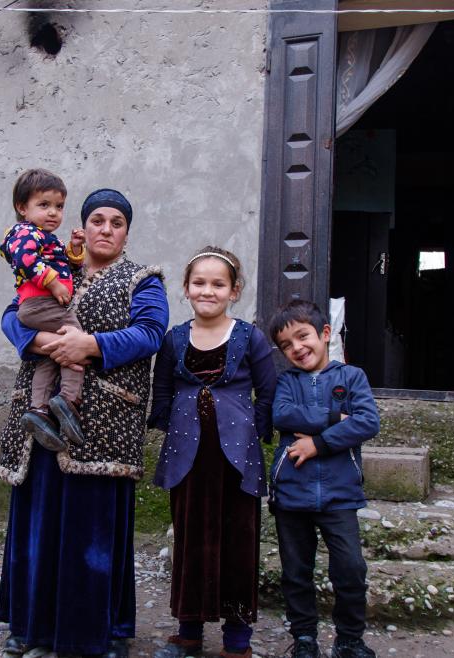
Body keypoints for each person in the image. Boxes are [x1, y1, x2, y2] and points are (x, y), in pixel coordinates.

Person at [0, 188, 168, 658]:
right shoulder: (53, 266)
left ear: (126, 231)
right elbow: (13, 316)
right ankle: (32, 627)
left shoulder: (142, 280)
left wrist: (90, 346)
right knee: (40, 518)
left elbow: (151, 332)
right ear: (84, 226)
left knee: (92, 528)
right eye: (97, 220)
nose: (105, 229)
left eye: (116, 222)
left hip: (105, 420)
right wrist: (40, 343)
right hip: (40, 415)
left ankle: (100, 631)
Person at [147, 246, 277, 658]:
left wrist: (249, 432)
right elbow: (163, 390)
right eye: (199, 283)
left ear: (234, 291)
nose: (208, 291)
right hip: (187, 458)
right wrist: (176, 431)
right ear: (186, 289)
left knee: (238, 542)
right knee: (190, 540)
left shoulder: (250, 337)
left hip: (236, 460)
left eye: (218, 284)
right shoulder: (173, 340)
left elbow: (267, 390)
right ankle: (189, 632)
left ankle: (238, 641)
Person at [267, 300, 381, 658]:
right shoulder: (286, 381)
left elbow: (366, 422)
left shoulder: (352, 377)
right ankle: (304, 638)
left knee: (350, 568)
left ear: (325, 334)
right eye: (286, 345)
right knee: (296, 572)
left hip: (340, 495)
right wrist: (335, 417)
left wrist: (318, 443)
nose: (297, 348)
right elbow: (282, 414)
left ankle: (349, 639)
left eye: (303, 336)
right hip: (292, 493)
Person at [0, 168, 87, 450]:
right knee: (75, 338)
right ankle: (69, 400)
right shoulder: (24, 233)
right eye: (44, 205)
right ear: (22, 208)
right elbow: (25, 260)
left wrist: (73, 248)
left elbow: (69, 265)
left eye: (59, 207)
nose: (53, 213)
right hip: (41, 302)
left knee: (50, 357)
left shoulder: (46, 238)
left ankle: (38, 410)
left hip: (38, 306)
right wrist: (54, 284)